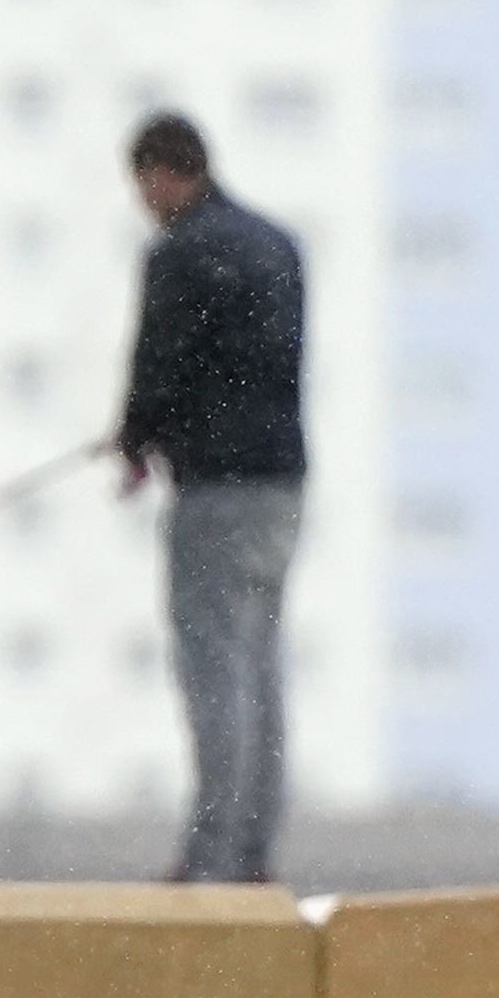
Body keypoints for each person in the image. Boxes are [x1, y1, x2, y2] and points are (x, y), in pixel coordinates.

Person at [109, 111, 308, 887]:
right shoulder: (277, 245)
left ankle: (212, 853)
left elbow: (159, 363)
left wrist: (135, 438)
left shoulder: (181, 253)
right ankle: (255, 847)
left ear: (160, 174)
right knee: (261, 666)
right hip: (283, 487)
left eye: (142, 185)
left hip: (216, 491)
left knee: (213, 668)